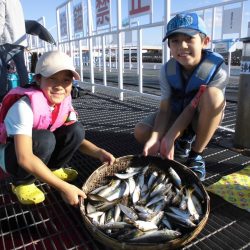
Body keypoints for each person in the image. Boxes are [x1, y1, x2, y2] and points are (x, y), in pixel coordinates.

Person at [0, 50, 115, 206]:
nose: (60, 86)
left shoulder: (63, 103)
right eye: (52, 78)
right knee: (45, 139)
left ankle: (53, 169)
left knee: (76, 129)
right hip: (11, 155)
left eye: (66, 80)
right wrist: (64, 187)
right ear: (38, 80)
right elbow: (24, 158)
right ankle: (21, 182)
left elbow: (77, 139)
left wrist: (98, 152)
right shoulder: (23, 107)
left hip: (36, 147)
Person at [134, 13, 228, 181]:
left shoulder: (218, 70)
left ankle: (195, 154)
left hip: (200, 115)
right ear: (169, 45)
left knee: (214, 96)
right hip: (176, 111)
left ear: (205, 41)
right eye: (175, 41)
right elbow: (164, 109)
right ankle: (181, 141)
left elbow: (192, 107)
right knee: (142, 132)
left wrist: (170, 135)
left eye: (189, 39)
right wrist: (156, 138)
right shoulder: (166, 70)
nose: (182, 46)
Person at [0, 0, 29, 100]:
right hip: (19, 40)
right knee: (21, 68)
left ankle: (2, 97)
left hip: (7, 39)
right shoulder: (17, 2)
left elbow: (1, 20)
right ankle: (26, 94)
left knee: (1, 68)